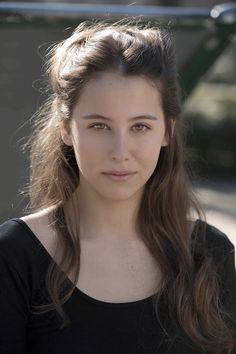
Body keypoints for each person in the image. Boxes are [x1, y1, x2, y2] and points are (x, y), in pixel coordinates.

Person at [0, 20, 235, 354]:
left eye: (140, 126)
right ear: (66, 128)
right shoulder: (15, 257)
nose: (120, 152)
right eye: (99, 125)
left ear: (167, 131)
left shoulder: (210, 254)